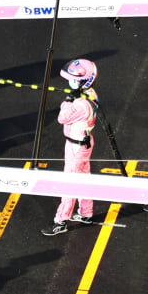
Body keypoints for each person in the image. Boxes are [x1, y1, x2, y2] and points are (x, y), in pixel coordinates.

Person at [43, 59, 101, 235]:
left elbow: (62, 117)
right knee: (84, 179)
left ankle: (61, 221)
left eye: (74, 80)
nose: (70, 82)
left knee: (69, 183)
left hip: (76, 147)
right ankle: (86, 212)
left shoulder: (80, 104)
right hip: (83, 143)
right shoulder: (90, 93)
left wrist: (67, 102)